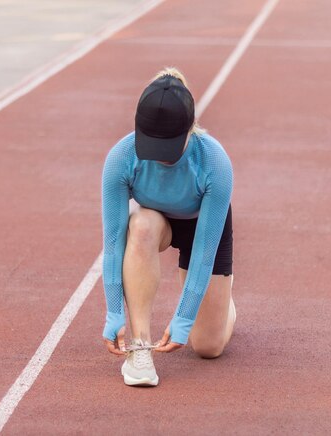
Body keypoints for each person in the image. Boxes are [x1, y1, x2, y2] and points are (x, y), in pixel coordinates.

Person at [100, 67, 236, 386]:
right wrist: (114, 313)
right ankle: (140, 347)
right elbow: (115, 240)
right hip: (155, 220)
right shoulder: (120, 158)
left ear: (191, 128)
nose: (160, 158)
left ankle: (225, 301)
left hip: (199, 226)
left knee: (208, 347)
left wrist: (185, 316)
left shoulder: (215, 164)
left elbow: (204, 252)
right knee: (141, 226)